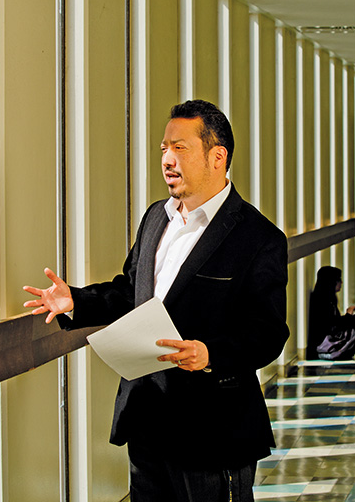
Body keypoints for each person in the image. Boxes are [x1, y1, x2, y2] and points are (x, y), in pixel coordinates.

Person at [23, 100, 289, 502]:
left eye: (179, 148)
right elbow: (132, 292)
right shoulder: (155, 218)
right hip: (146, 418)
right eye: (163, 148)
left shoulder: (258, 237)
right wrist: (74, 301)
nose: (166, 158)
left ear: (218, 156)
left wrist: (208, 353)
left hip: (211, 428)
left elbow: (268, 333)